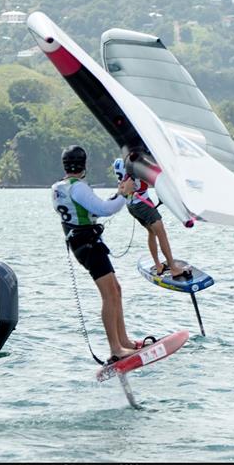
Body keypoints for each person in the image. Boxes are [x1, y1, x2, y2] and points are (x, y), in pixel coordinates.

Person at [52, 145, 139, 363]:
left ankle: (124, 341)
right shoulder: (78, 188)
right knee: (109, 294)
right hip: (88, 245)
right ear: (84, 165)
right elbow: (105, 210)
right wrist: (124, 193)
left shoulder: (59, 187)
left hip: (84, 244)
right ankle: (116, 349)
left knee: (115, 289)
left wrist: (118, 193)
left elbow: (92, 208)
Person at [113, 158, 191, 279]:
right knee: (161, 233)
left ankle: (158, 265)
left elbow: (125, 186)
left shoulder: (119, 163)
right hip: (142, 204)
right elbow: (150, 179)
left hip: (132, 205)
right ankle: (174, 268)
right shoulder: (134, 165)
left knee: (151, 232)